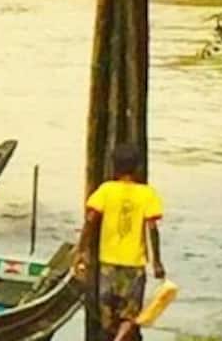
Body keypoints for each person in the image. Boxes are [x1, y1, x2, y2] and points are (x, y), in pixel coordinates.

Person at [76, 144, 168, 341]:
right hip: (134, 265)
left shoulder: (106, 190)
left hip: (108, 263)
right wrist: (157, 262)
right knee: (130, 314)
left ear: (114, 167)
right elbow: (152, 229)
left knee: (107, 315)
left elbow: (90, 220)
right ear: (137, 168)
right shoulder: (147, 194)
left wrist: (81, 251)